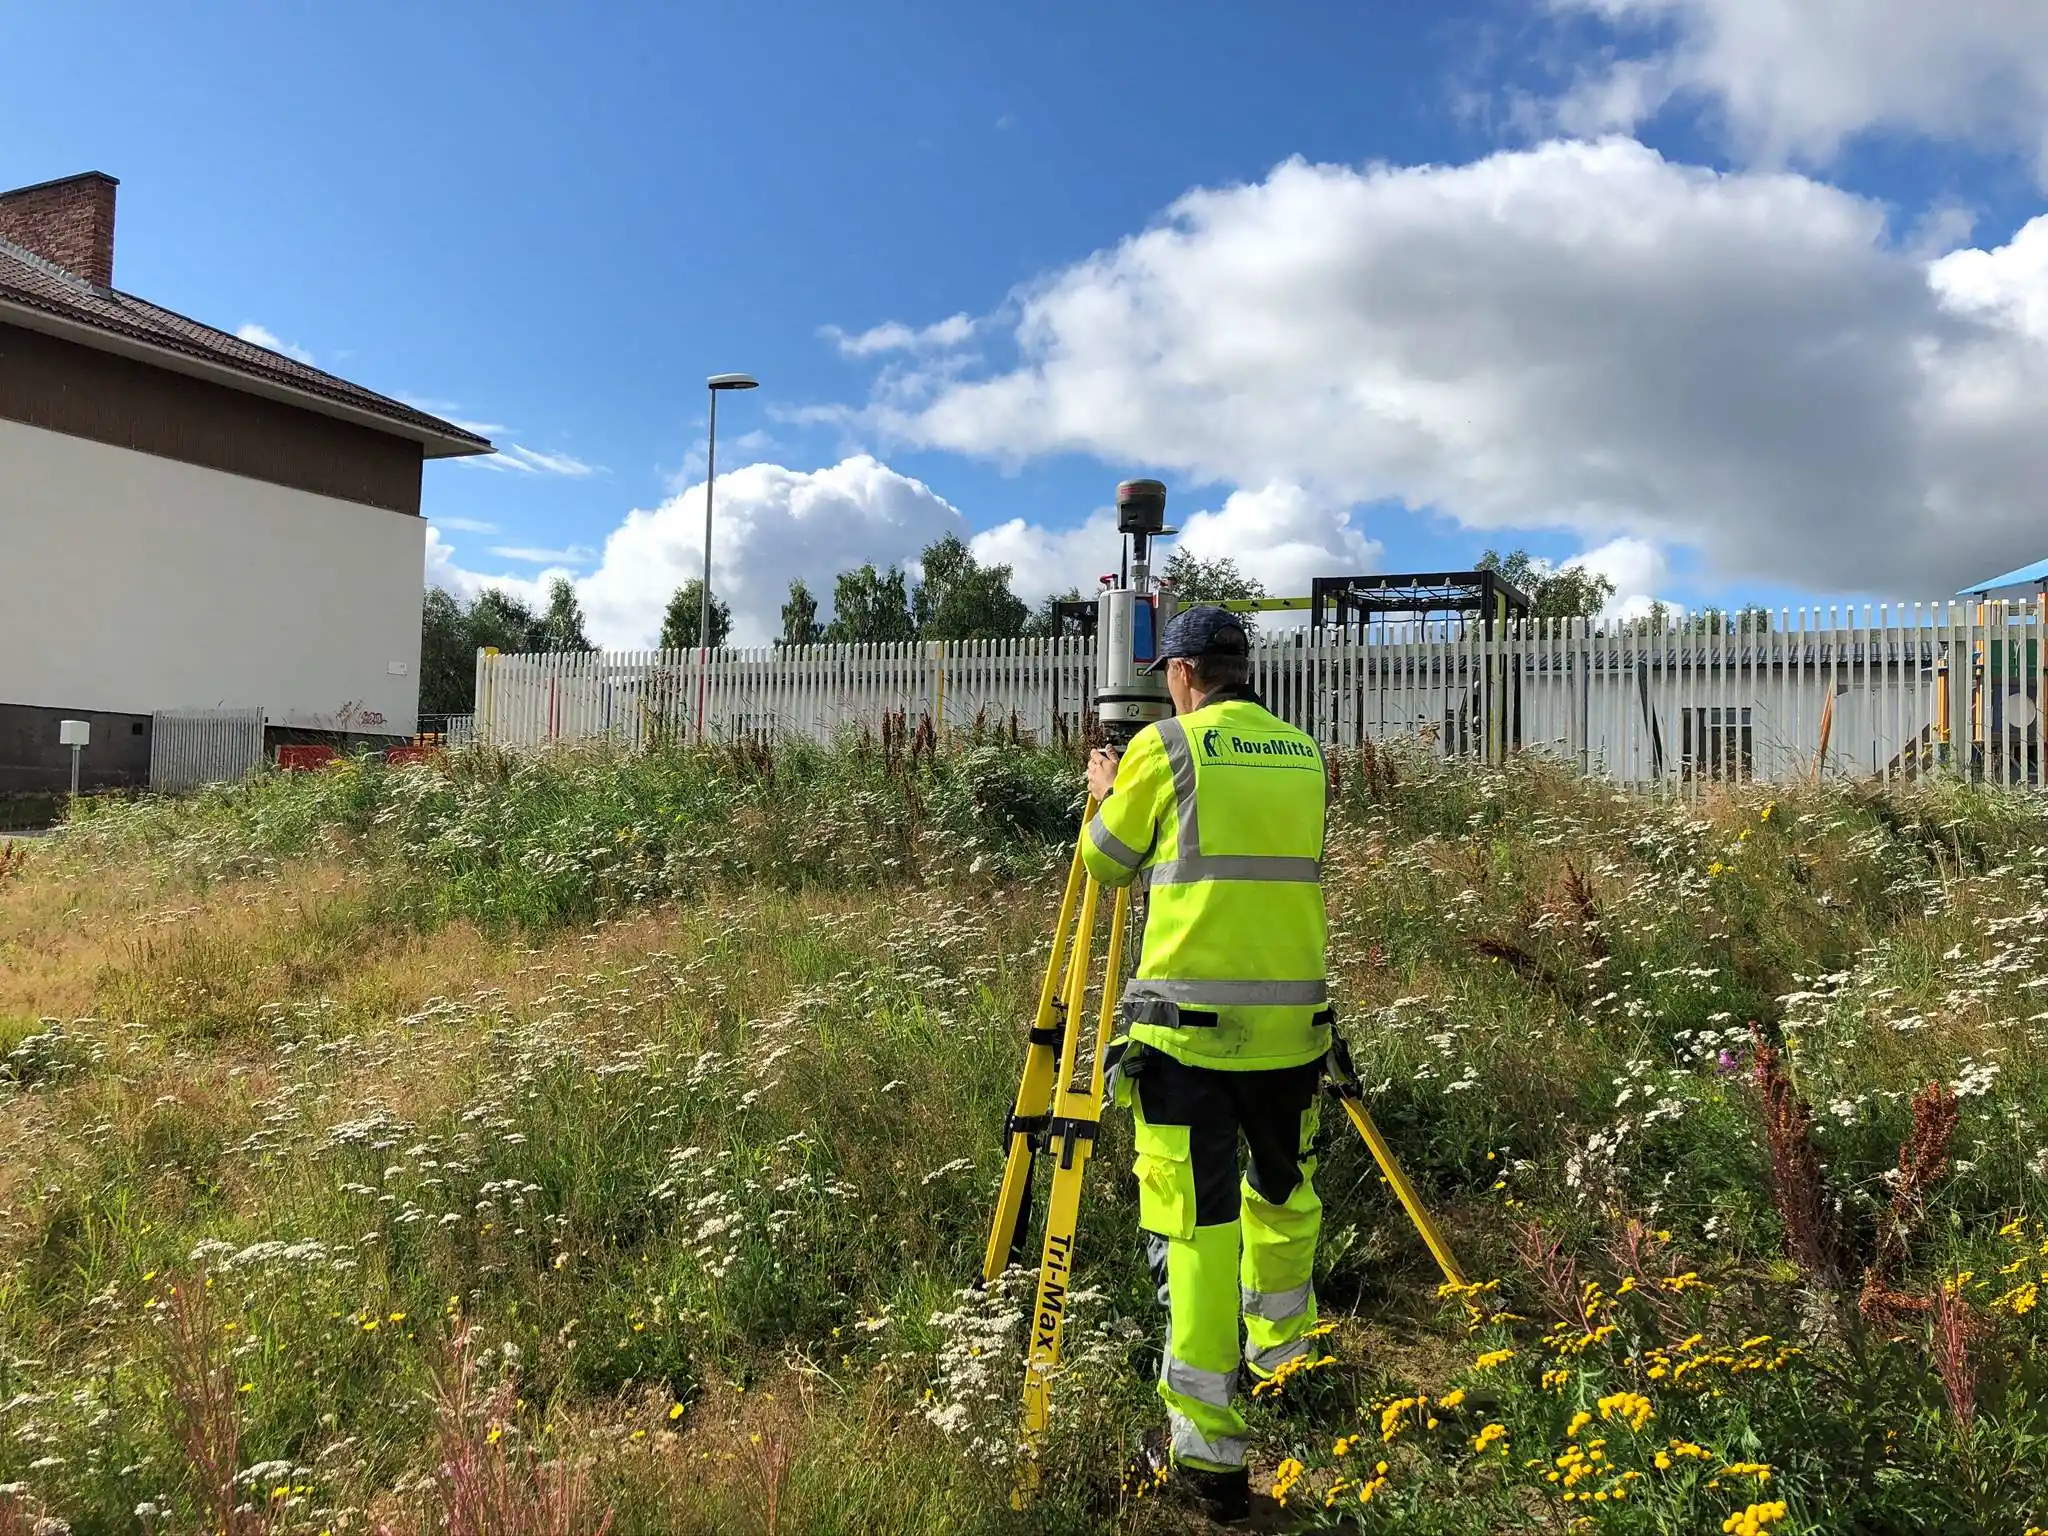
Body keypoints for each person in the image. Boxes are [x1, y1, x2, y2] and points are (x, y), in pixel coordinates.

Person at [1078, 604, 1331, 1526]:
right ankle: (1287, 1359)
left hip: (1190, 1040)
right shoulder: (1303, 753)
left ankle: (1208, 1460)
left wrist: (1107, 789)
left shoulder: (1166, 748)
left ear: (1180, 674)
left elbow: (1106, 865)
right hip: (1294, 1036)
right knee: (1281, 1194)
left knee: (1197, 1235)